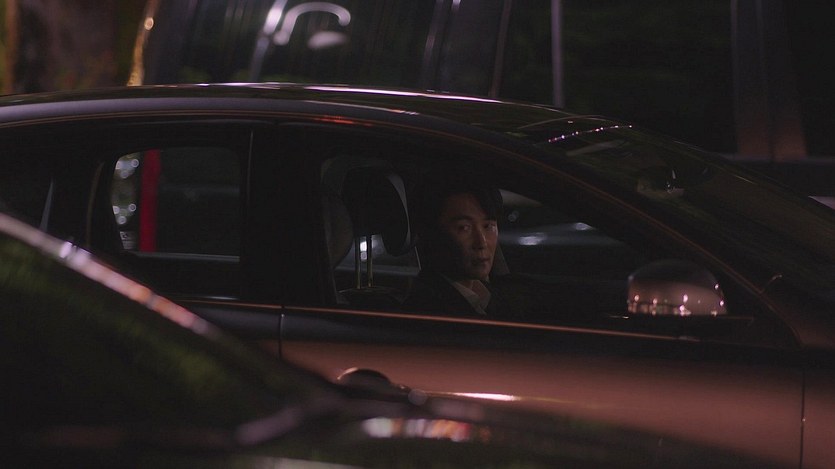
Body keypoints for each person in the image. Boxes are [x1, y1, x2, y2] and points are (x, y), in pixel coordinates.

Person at [402, 173, 506, 317]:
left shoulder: (490, 295)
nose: (481, 243)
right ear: (432, 234)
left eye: (488, 226)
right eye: (464, 228)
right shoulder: (430, 311)